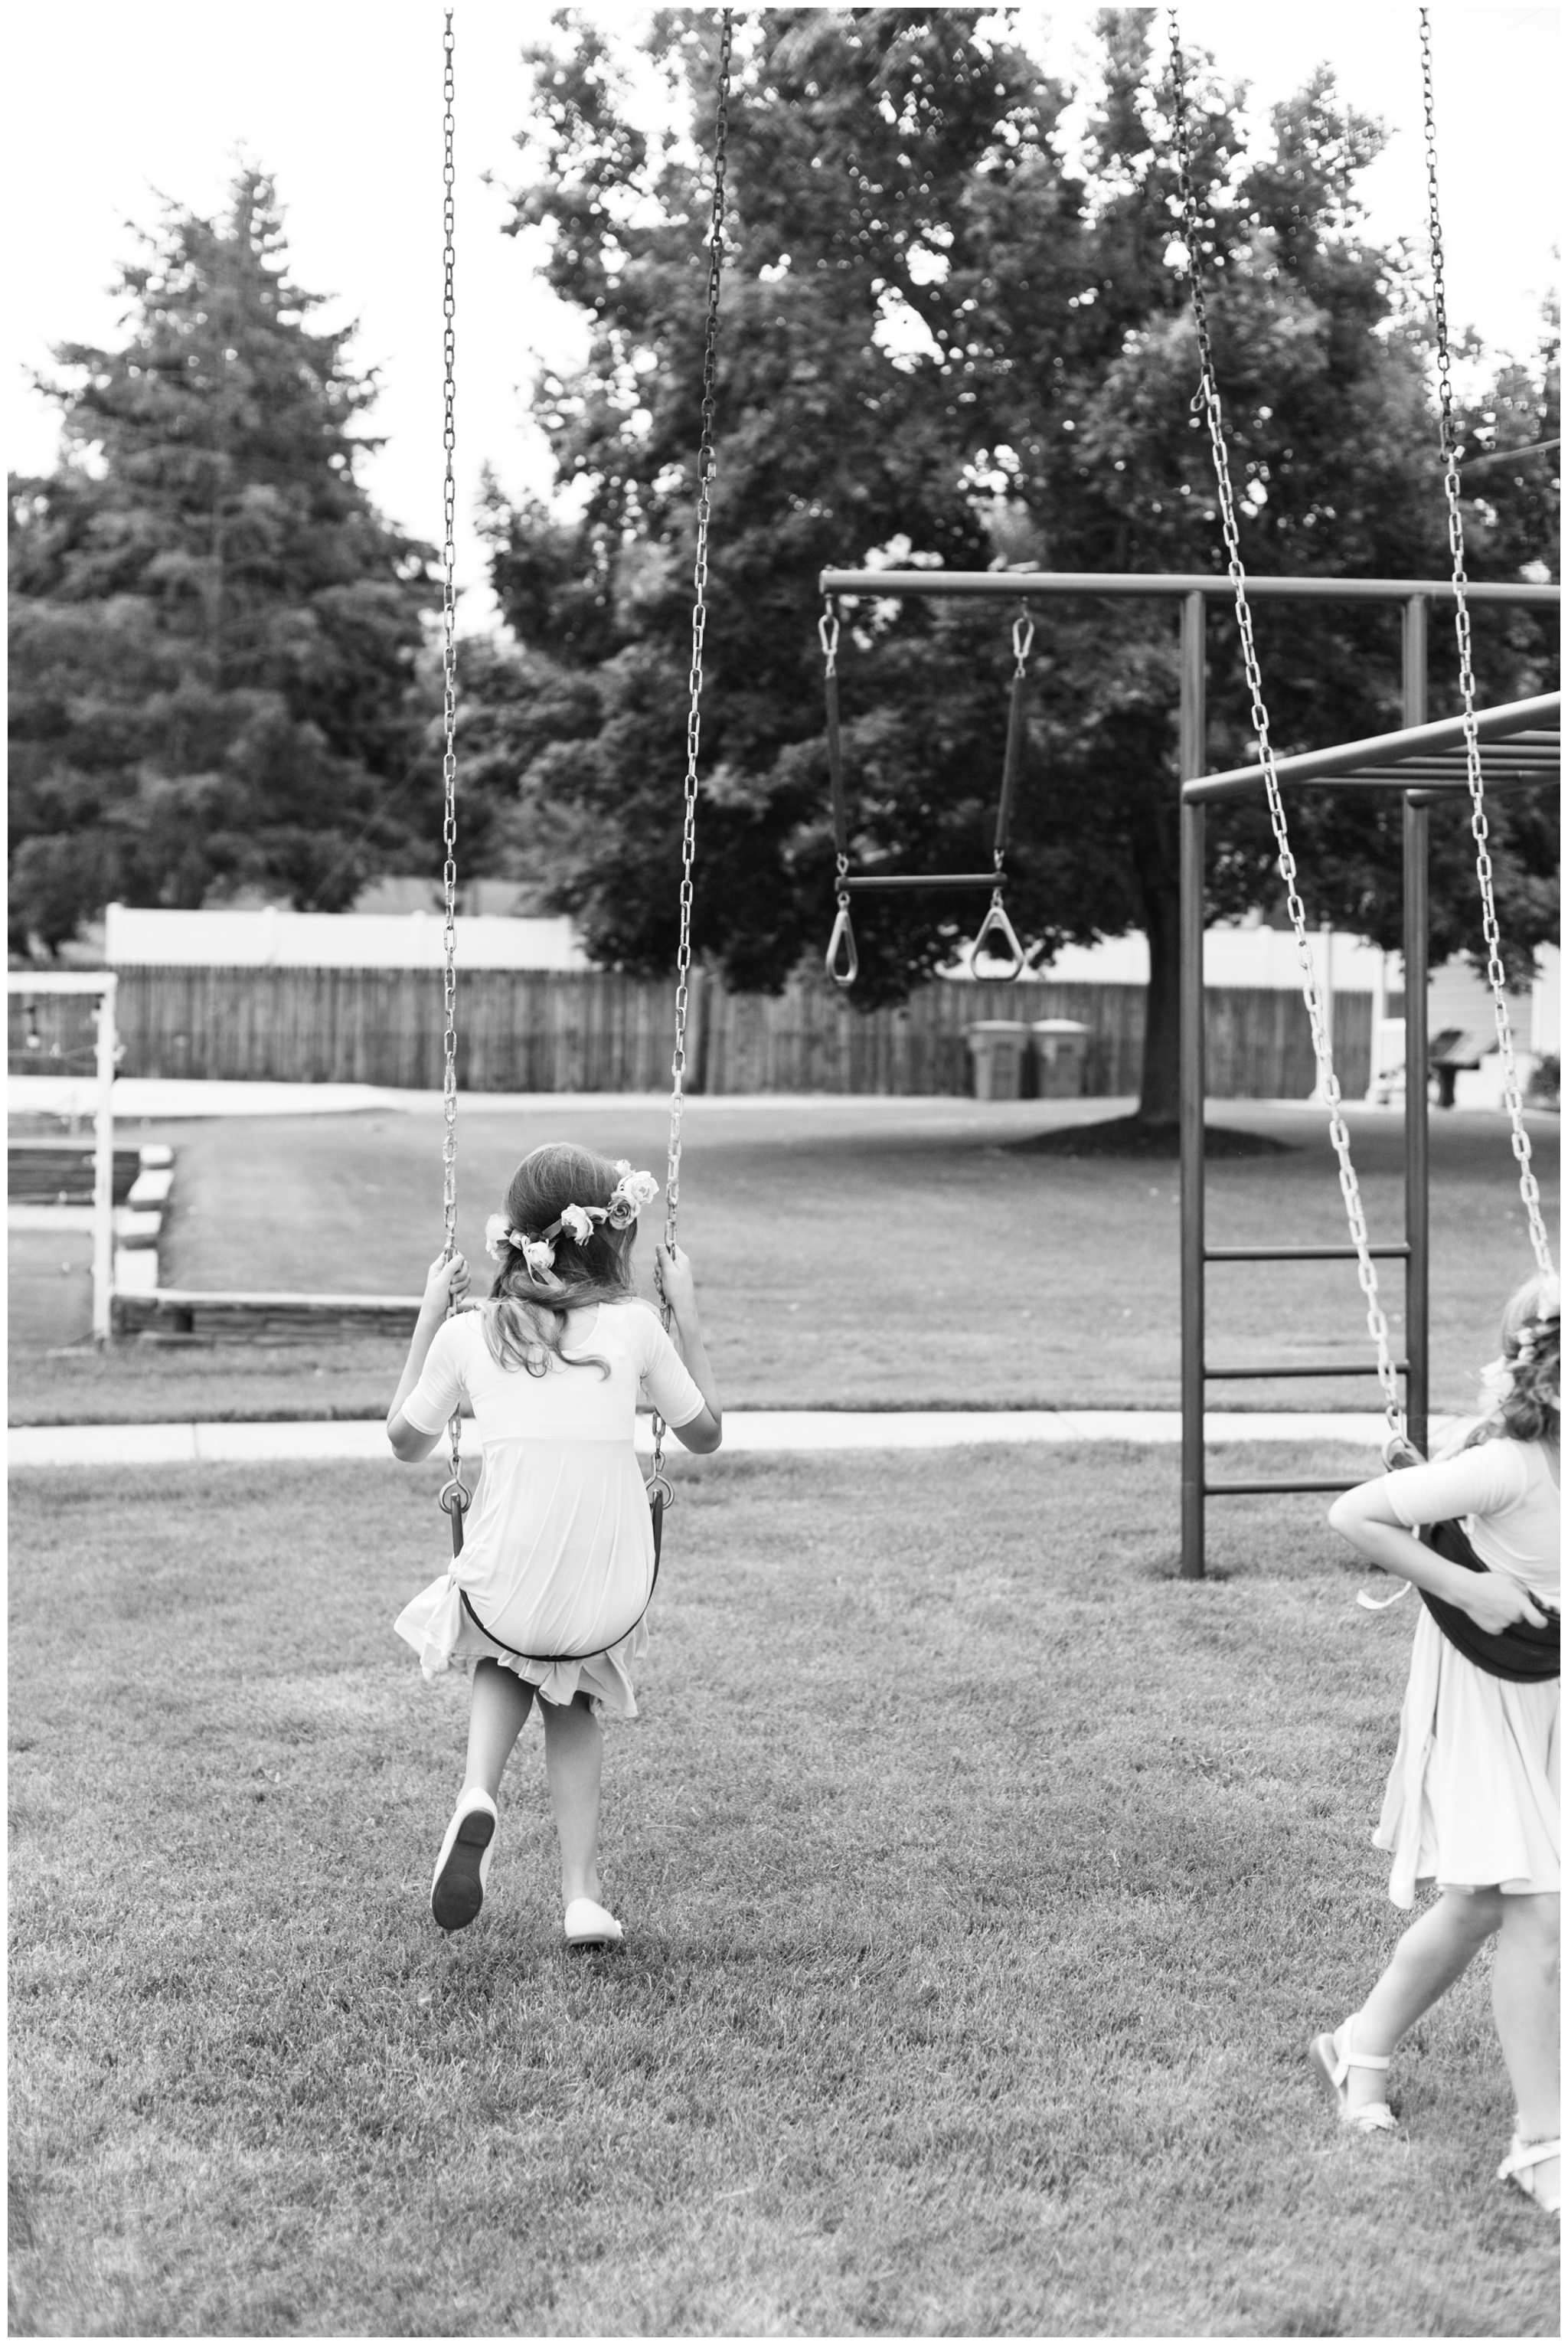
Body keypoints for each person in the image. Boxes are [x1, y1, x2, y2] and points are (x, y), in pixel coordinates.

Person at [386, 1143, 720, 1948]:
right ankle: (580, 1894)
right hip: (609, 1590)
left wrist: (431, 1309)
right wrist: (686, 1305)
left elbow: (403, 1439)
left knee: (504, 1641)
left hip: (508, 1587)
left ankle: (476, 1790)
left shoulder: (473, 1331)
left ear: (518, 1234)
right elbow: (704, 1432)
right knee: (568, 1685)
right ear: (610, 1234)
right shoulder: (637, 1326)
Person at [1314, 1272, 1560, 2216]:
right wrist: (1471, 1589)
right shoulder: (1509, 1462)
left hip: (1550, 1692)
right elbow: (1354, 1512)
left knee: (1477, 1901)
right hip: (1483, 1689)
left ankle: (1357, 2050)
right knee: (1537, 1913)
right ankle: (1540, 2142)